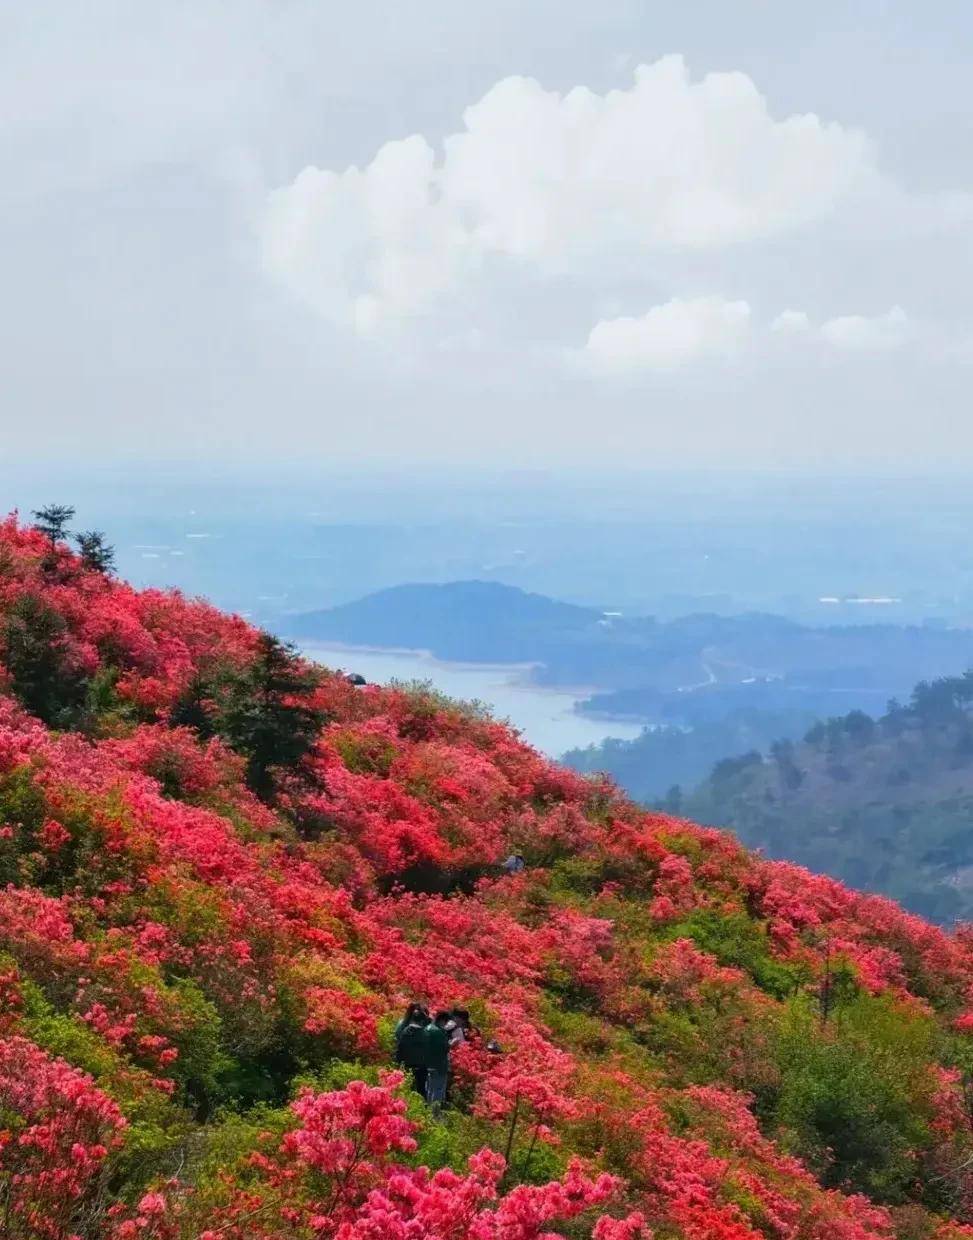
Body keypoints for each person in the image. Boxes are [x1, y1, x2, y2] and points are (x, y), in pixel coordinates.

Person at [393, 1002, 430, 1097]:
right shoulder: (423, 1032)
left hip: (406, 1063)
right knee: (420, 1090)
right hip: (420, 1065)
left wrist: (398, 1062)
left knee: (407, 1089)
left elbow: (399, 1045)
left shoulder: (404, 1027)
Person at [423, 1010, 452, 1114]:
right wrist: (452, 1044)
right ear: (442, 1020)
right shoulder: (438, 1032)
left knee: (430, 1089)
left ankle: (428, 1112)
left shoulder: (427, 1028)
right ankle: (435, 1114)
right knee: (438, 1090)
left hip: (428, 1064)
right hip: (439, 1065)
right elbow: (444, 1048)